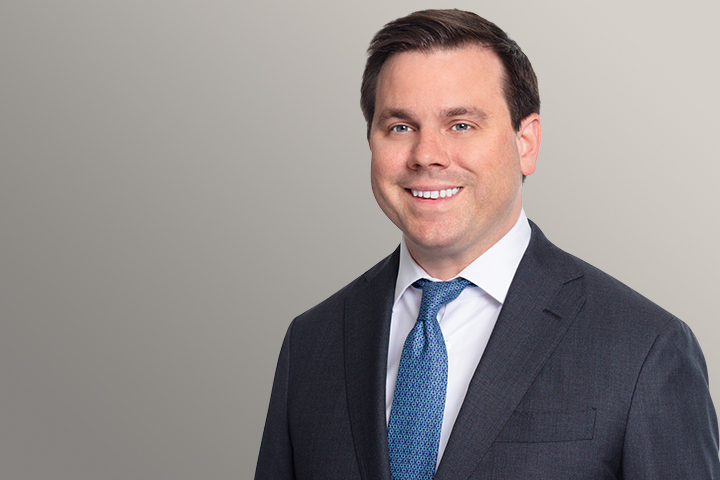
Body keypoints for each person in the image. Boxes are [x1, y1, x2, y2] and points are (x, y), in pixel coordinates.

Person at [255, 9, 719, 479]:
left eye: (461, 124)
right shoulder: (311, 343)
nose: (426, 155)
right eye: (400, 127)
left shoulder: (643, 348)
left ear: (526, 143)